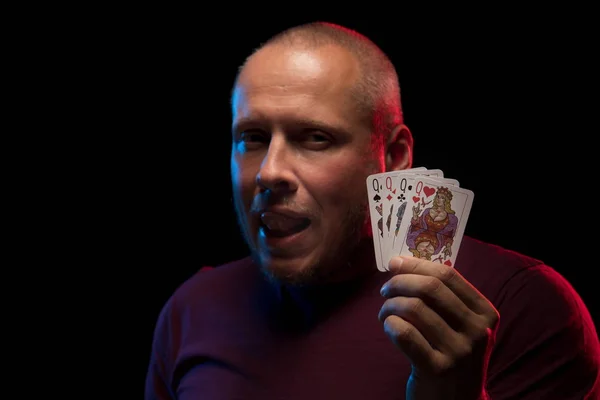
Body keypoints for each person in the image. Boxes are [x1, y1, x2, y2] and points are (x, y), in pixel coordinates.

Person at [145, 22, 600, 399]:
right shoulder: (191, 309)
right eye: (253, 137)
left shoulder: (524, 305)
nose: (269, 172)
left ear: (395, 156)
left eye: (314, 138)